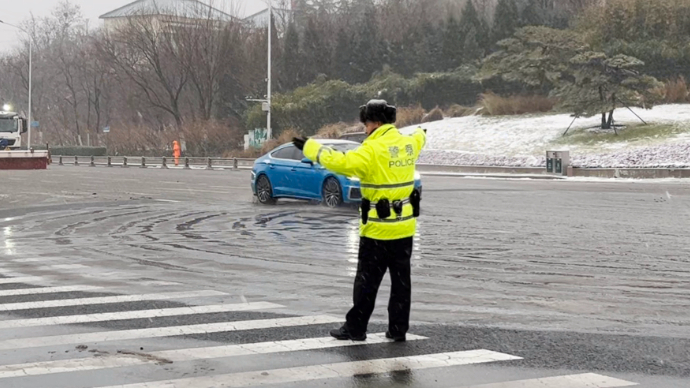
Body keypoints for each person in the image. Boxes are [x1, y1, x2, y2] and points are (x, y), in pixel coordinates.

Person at [293, 99, 426, 342]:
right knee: (401, 284)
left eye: (365, 124)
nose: (364, 129)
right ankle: (398, 330)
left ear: (374, 123)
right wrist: (420, 131)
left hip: (377, 231)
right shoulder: (408, 144)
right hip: (405, 230)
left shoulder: (371, 150)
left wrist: (312, 148)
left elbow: (342, 163)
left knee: (366, 284)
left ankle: (356, 328)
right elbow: (420, 138)